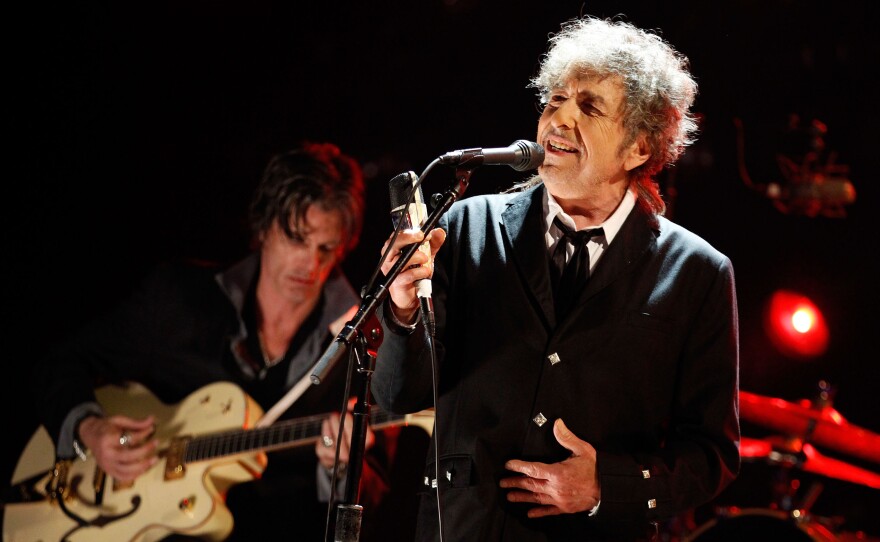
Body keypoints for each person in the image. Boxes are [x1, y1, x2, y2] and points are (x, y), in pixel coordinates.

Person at [374, 15, 740, 542]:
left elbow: (712, 456)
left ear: (640, 147)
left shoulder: (698, 272)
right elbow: (397, 397)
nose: (558, 121)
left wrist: (605, 486)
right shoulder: (463, 226)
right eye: (554, 101)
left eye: (589, 108)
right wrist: (403, 310)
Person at [24, 142, 405, 541]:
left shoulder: (365, 344)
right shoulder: (177, 300)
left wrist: (342, 467)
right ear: (263, 226)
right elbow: (60, 363)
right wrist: (89, 429)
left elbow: (373, 505)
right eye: (296, 238)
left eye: (326, 248)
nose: (310, 265)